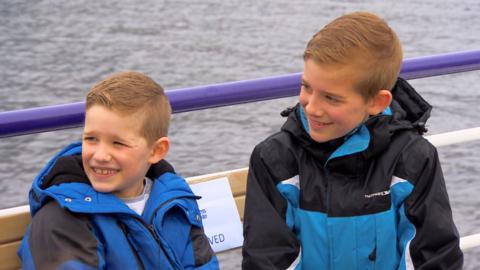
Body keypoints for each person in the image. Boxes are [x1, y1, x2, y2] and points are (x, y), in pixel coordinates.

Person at [242, 12, 463, 270]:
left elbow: (436, 256)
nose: (311, 108)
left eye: (331, 98)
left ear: (377, 102)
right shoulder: (274, 160)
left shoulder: (413, 159)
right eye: (306, 87)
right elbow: (265, 259)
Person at [18, 71, 219, 269]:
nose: (100, 156)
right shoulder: (63, 218)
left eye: (117, 143)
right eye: (91, 139)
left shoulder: (176, 201)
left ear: (157, 151)